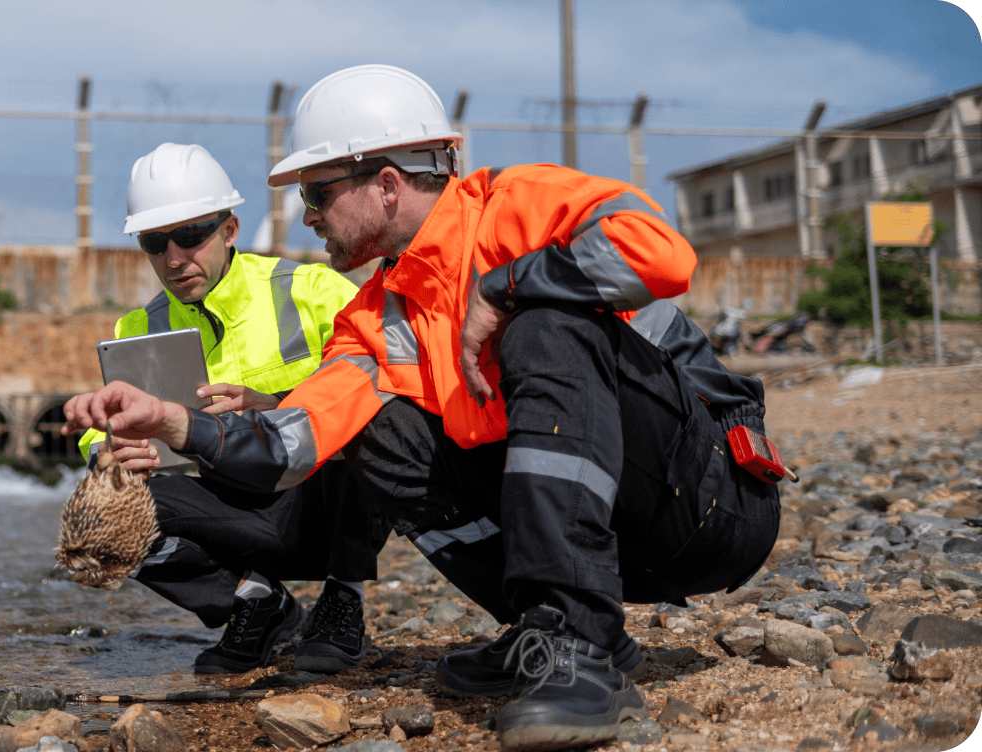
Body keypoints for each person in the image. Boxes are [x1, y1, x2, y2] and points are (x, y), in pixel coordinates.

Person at [62, 66, 780, 751]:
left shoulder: (517, 202)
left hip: (714, 501)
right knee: (384, 430)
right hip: (623, 537)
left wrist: (506, 290)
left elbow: (661, 255)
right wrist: (170, 423)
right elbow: (289, 445)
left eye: (315, 193)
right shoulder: (375, 317)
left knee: (545, 323)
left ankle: (575, 642)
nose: (307, 217)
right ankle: (544, 622)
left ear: (385, 183)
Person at [76, 142, 386, 675]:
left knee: (362, 421)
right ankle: (254, 601)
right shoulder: (137, 330)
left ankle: (343, 598)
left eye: (192, 236)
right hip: (232, 512)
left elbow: (387, 380)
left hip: (315, 501)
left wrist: (278, 403)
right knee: (99, 507)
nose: (175, 258)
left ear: (230, 231)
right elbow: (104, 432)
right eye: (156, 242)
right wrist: (109, 448)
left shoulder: (311, 292)